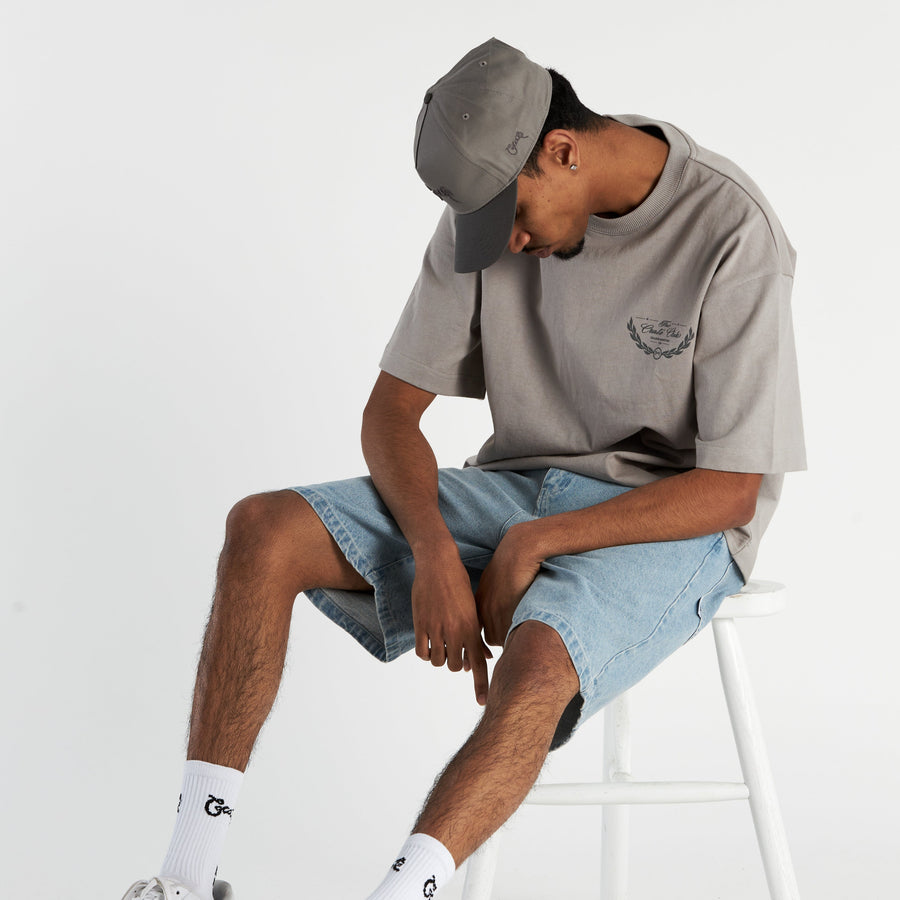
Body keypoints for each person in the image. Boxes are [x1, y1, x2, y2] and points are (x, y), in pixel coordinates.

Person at [121, 37, 806, 900]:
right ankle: (185, 876)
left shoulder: (734, 229)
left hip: (673, 514)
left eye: (514, 218)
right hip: (518, 483)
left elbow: (733, 489)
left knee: (540, 660)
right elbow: (389, 415)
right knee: (263, 529)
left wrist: (535, 542)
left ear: (562, 150)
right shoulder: (488, 209)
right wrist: (435, 548)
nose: (507, 243)